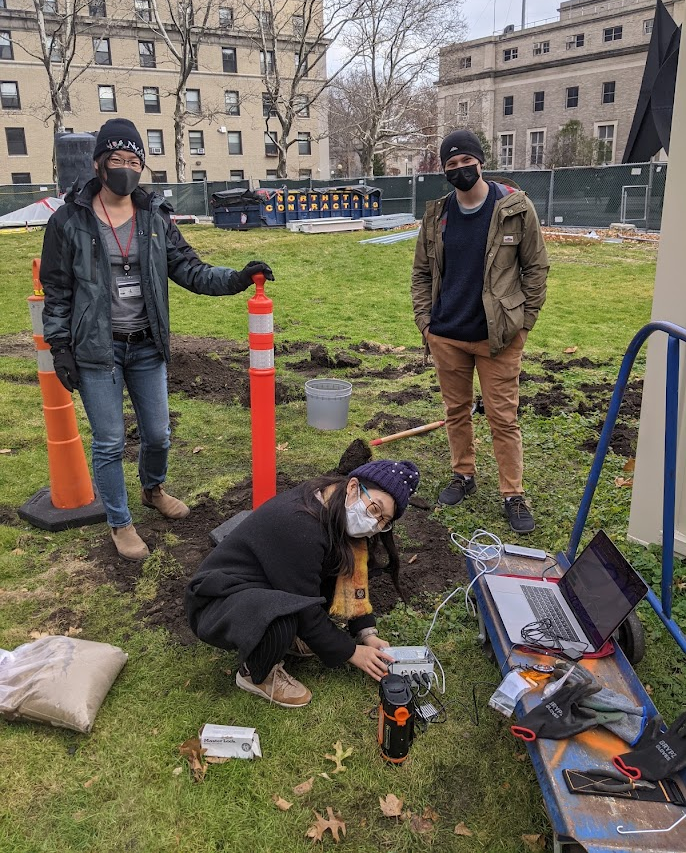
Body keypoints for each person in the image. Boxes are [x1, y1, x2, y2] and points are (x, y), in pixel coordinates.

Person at [40, 118, 274, 561]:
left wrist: (238, 278)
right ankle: (120, 521)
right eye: (117, 159)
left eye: (134, 160)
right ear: (98, 164)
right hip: (97, 350)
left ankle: (153, 489)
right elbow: (57, 292)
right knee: (109, 441)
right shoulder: (68, 221)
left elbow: (190, 268)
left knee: (158, 434)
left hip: (146, 345)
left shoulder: (155, 217)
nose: (126, 167)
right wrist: (60, 348)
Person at [185, 459, 420, 708]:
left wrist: (366, 633)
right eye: (375, 509)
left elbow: (351, 576)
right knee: (285, 616)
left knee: (329, 574)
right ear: (353, 486)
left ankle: (284, 639)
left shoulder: (333, 504)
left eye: (384, 521)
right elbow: (305, 606)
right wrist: (351, 652)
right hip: (216, 601)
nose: (374, 524)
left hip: (261, 588)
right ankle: (256, 675)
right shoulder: (299, 524)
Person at [411, 129, 549, 533]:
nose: (459, 169)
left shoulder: (514, 208)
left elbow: (536, 268)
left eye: (465, 161)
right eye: (451, 164)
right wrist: (426, 322)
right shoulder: (437, 214)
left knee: (503, 418)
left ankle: (513, 494)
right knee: (456, 411)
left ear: (480, 162)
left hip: (498, 337)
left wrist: (524, 323)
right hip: (447, 333)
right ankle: (464, 475)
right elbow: (421, 272)